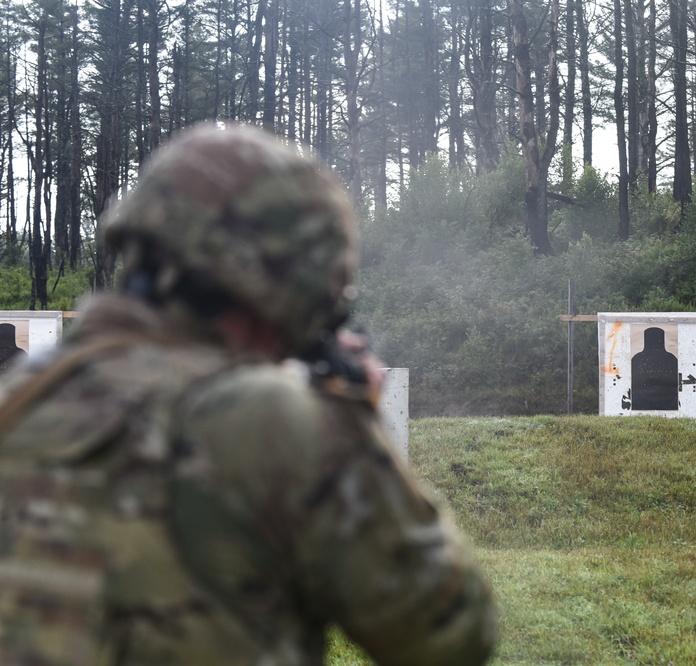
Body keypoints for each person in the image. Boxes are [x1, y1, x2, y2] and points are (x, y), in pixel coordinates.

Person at [0, 124, 497, 665]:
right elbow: (449, 638)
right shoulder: (266, 419)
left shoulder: (23, 392)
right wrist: (356, 418)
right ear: (287, 291)